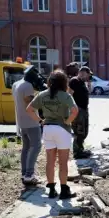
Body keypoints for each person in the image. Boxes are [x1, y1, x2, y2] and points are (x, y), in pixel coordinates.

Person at [25, 70, 79, 200]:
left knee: (50, 161)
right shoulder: (65, 96)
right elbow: (75, 111)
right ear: (64, 82)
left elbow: (29, 109)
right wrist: (67, 121)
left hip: (47, 129)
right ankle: (64, 190)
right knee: (63, 162)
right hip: (62, 130)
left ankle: (51, 190)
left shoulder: (42, 94)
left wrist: (40, 121)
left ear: (49, 82)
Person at [12, 69, 42, 185]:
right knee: (36, 147)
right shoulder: (28, 86)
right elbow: (29, 102)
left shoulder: (16, 84)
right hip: (31, 121)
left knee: (26, 148)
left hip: (21, 121)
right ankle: (29, 175)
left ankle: (24, 174)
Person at [68, 66, 93, 159]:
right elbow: (69, 94)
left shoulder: (83, 83)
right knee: (79, 131)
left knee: (84, 131)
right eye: (88, 74)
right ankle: (77, 152)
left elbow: (89, 91)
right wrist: (73, 108)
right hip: (78, 110)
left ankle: (81, 149)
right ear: (83, 72)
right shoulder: (74, 81)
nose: (88, 77)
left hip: (84, 109)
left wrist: (89, 83)